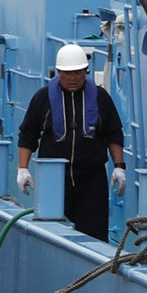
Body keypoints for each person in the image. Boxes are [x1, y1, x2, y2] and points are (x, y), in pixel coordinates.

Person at [17, 44, 126, 242]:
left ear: (86, 71)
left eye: (77, 73)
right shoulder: (43, 98)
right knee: (51, 233)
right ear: (59, 73)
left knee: (94, 236)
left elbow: (114, 133)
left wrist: (119, 167)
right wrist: (22, 168)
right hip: (55, 180)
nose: (72, 78)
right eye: (67, 74)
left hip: (92, 179)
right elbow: (28, 134)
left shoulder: (101, 98)